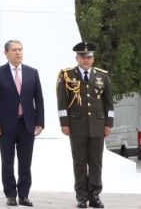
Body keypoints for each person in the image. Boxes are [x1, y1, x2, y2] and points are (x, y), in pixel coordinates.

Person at [0, 40, 44, 207]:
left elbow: (39, 99)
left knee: (25, 162)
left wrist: (39, 122)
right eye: (14, 50)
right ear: (6, 53)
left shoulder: (32, 73)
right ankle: (10, 195)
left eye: (20, 49)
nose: (18, 53)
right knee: (7, 162)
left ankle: (24, 195)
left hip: (27, 124)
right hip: (5, 125)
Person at [57, 41, 114, 209]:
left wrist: (109, 123)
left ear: (93, 59)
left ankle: (95, 195)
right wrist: (64, 123)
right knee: (80, 162)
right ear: (77, 58)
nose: (86, 60)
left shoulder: (102, 76)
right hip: (77, 125)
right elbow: (62, 102)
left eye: (89, 57)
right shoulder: (67, 75)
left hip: (98, 124)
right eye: (83, 57)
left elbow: (109, 103)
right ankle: (81, 197)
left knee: (96, 162)